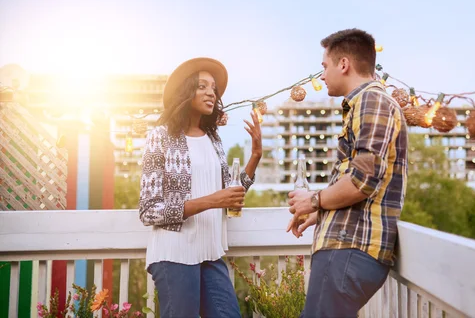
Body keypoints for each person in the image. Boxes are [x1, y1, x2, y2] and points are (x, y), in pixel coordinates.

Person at [287, 29, 408, 317]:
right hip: (346, 245)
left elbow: (362, 182)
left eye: (325, 66)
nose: (322, 75)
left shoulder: (372, 101)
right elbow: (362, 180)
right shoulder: (362, 105)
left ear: (343, 64)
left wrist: (313, 200)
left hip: (350, 249)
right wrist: (325, 211)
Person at [139, 57, 262, 318]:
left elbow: (229, 194)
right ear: (185, 92)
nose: (211, 93)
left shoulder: (214, 139)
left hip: (210, 251)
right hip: (175, 254)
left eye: (214, 88)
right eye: (202, 86)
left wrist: (255, 156)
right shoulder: (159, 137)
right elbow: (149, 210)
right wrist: (212, 200)